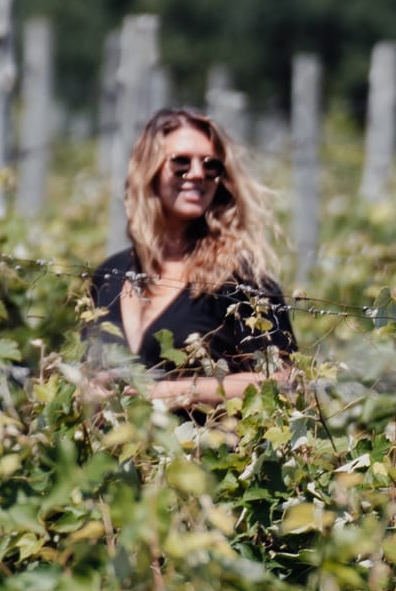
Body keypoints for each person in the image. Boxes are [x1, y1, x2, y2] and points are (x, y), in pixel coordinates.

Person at [83, 106, 296, 409]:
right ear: (150, 170)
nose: (197, 174)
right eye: (181, 162)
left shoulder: (240, 277)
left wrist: (166, 393)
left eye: (211, 165)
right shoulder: (111, 274)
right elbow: (88, 369)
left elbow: (284, 382)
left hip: (209, 450)